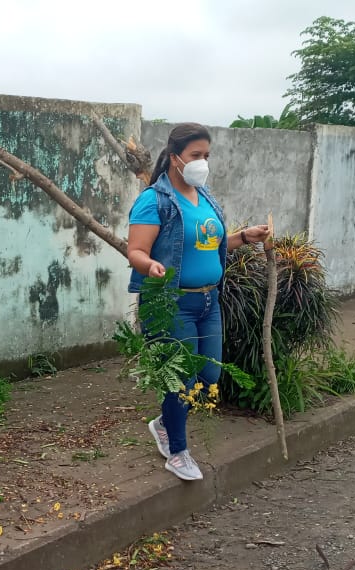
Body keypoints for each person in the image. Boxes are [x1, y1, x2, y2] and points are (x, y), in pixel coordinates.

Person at [126, 122, 270, 481]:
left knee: (209, 375)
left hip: (209, 302)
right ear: (175, 157)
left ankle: (164, 423)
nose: (202, 162)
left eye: (206, 155)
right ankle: (177, 452)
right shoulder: (153, 200)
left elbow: (210, 244)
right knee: (180, 379)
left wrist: (243, 237)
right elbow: (136, 251)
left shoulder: (204, 197)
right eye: (195, 155)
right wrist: (150, 265)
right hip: (171, 303)